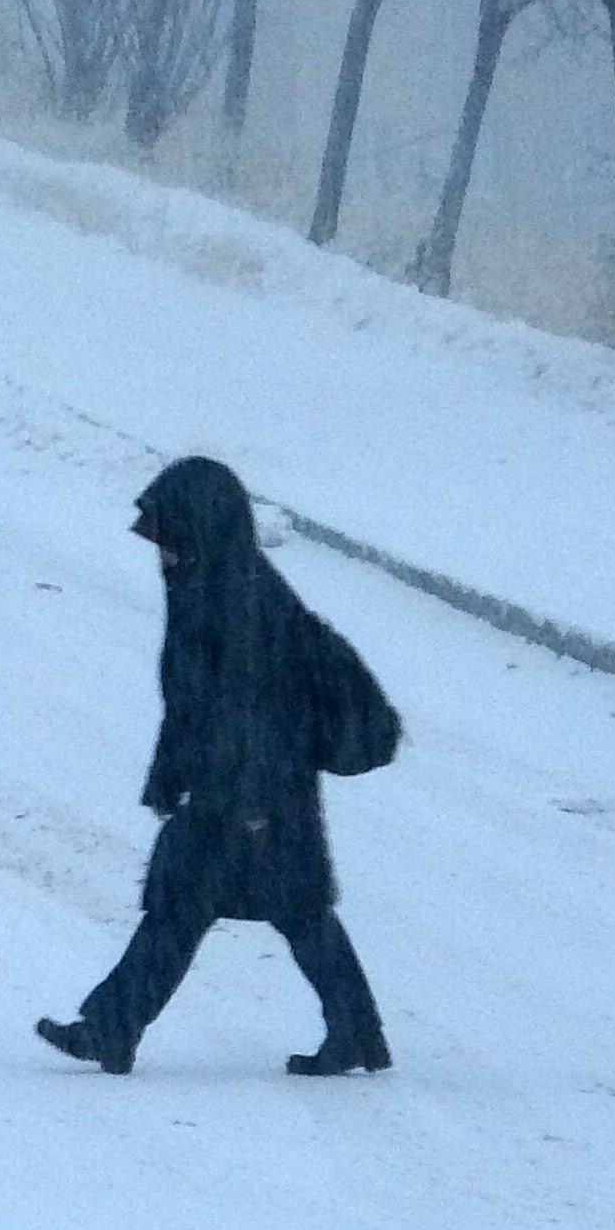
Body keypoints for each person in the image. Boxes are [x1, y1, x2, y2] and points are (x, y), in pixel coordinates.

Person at [39, 457, 392, 1078]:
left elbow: (253, 710)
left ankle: (113, 1030)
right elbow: (193, 705)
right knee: (241, 910)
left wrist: (252, 802)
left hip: (256, 791)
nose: (162, 554)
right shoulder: (212, 588)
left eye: (171, 538)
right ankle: (114, 1030)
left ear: (201, 532)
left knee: (265, 911)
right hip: (235, 787)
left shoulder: (238, 603)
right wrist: (167, 773)